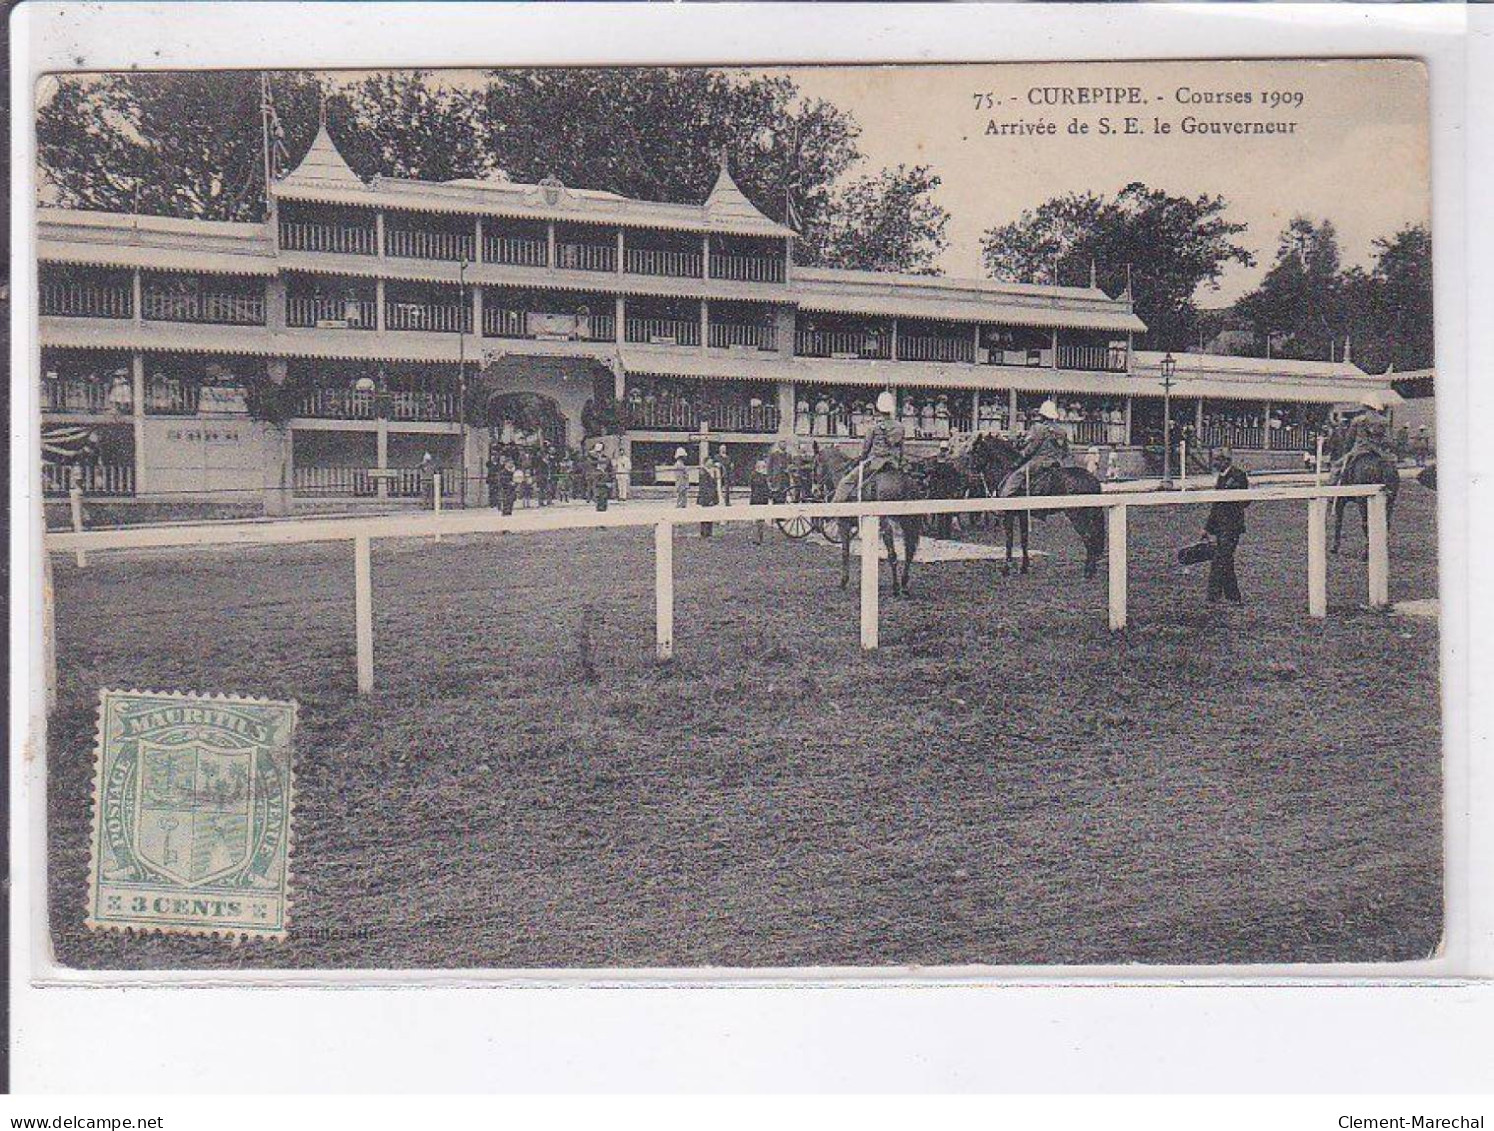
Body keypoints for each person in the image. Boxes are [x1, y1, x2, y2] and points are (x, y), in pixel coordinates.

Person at [832, 390, 905, 502]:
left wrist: (861, 458)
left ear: (879, 410)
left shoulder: (874, 427)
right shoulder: (900, 427)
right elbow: (901, 449)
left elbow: (866, 449)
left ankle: (834, 514)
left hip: (875, 463)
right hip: (894, 463)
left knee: (845, 482)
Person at [1203, 447, 1249, 604]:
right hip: (1221, 527)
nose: (1213, 462)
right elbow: (1216, 505)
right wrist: (1208, 528)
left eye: (1216, 459)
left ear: (1226, 460)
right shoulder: (1221, 478)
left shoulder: (1238, 476)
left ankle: (1213, 596)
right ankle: (1233, 596)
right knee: (1225, 560)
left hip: (1232, 526)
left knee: (1220, 560)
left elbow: (1246, 501)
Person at [998, 399, 1070, 496]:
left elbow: (1030, 450)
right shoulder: (1061, 431)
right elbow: (1065, 450)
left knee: (1017, 474)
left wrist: (1018, 461)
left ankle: (1004, 499)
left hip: (1039, 462)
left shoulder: (1039, 428)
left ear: (1042, 415)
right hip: (1058, 462)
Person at [1335, 392, 1395, 482]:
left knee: (1337, 466)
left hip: (1360, 449)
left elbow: (1349, 439)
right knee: (1391, 466)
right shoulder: (1384, 420)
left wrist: (1346, 450)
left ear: (1365, 406)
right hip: (1380, 452)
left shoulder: (1358, 420)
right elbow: (1389, 440)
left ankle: (1333, 491)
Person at [697, 450, 720, 536]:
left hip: (711, 496)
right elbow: (705, 487)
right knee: (704, 515)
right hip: (706, 497)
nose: (711, 463)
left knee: (711, 514)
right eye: (709, 462)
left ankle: (709, 532)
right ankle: (704, 532)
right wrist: (709, 498)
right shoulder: (703, 472)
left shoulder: (712, 471)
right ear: (705, 463)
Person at [749, 458, 771, 545]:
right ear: (757, 467)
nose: (764, 468)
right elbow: (758, 487)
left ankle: (760, 538)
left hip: (763, 500)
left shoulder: (763, 476)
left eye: (764, 466)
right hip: (756, 500)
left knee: (761, 520)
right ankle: (756, 539)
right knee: (756, 520)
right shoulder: (755, 476)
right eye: (763, 466)